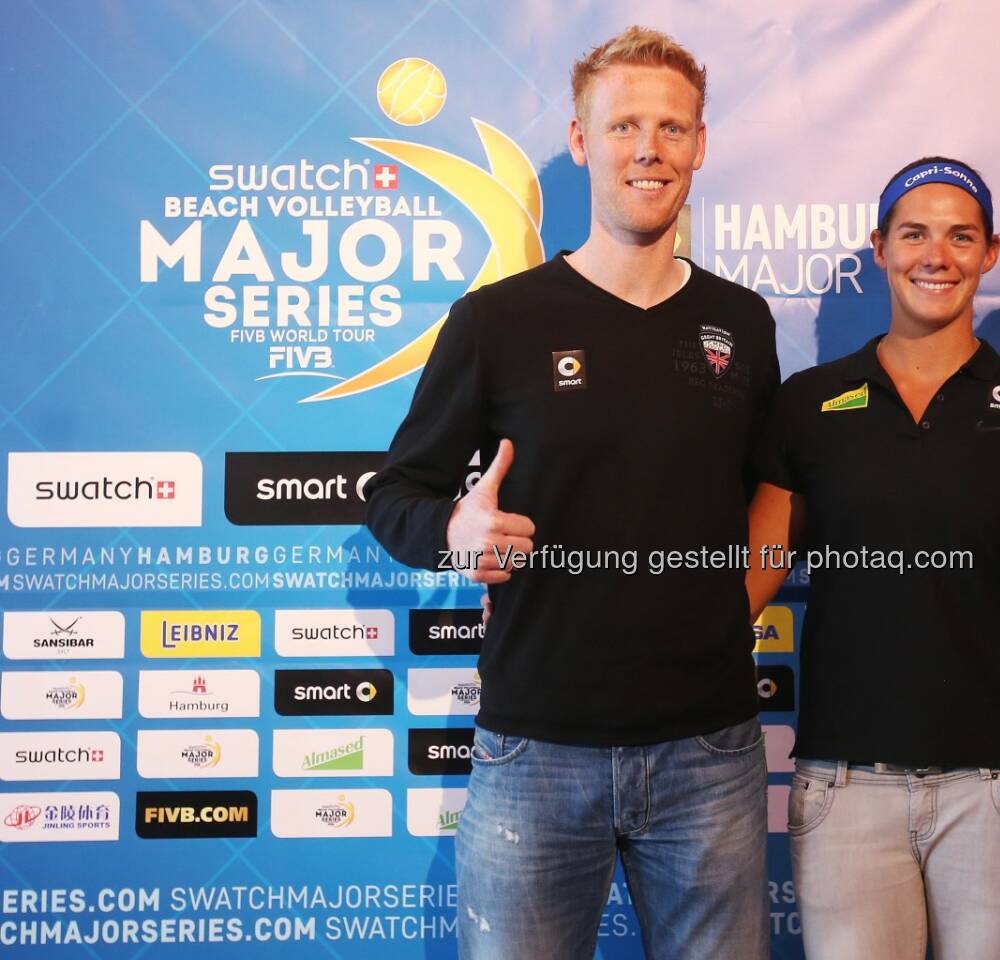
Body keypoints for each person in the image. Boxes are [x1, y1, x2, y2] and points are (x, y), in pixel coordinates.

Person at [365, 27, 777, 960]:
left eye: (672, 128)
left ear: (700, 145)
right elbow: (397, 495)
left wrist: (724, 610)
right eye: (624, 124)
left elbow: (772, 493)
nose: (649, 149)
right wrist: (451, 531)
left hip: (708, 752)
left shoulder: (741, 323)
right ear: (582, 142)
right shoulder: (497, 321)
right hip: (535, 755)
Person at [746, 157, 1000, 960]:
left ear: (990, 251)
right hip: (846, 784)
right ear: (879, 247)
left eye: (959, 236)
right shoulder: (808, 405)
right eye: (914, 234)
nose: (935, 255)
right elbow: (746, 580)